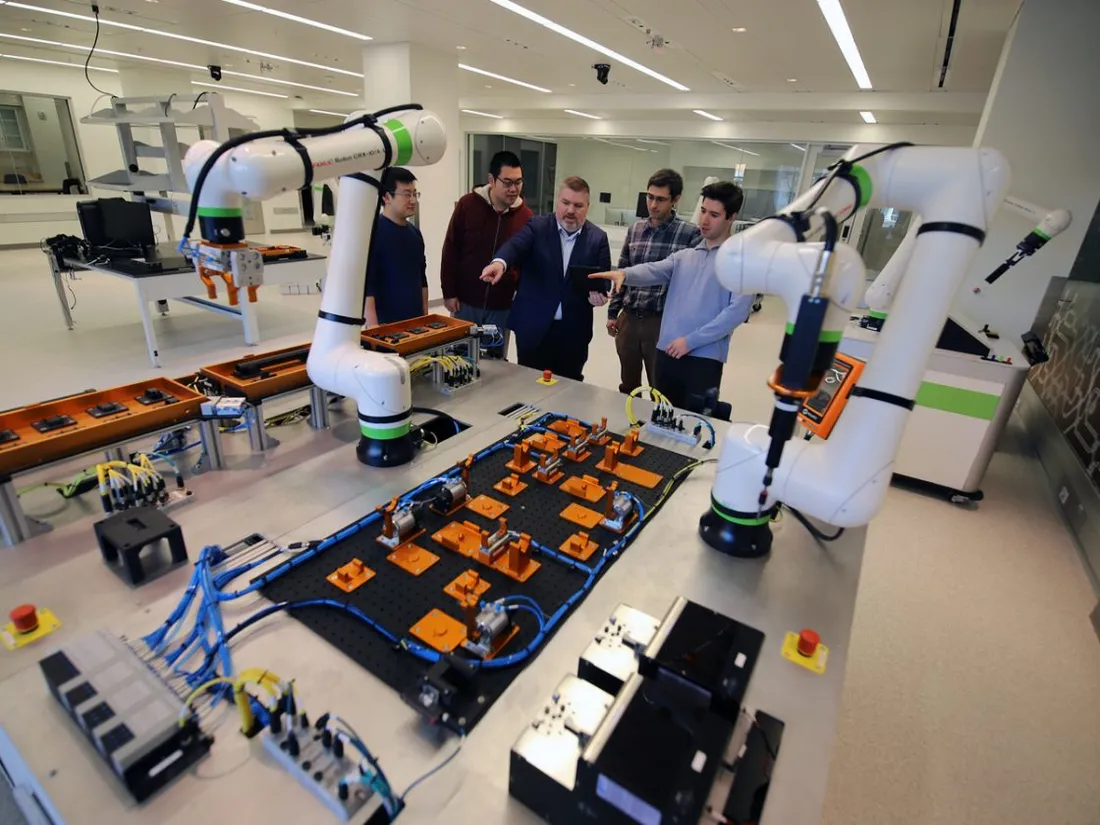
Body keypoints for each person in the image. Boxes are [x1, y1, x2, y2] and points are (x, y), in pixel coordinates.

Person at [592, 181, 753, 409]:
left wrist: (690, 341)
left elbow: (737, 312)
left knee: (693, 421)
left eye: (714, 215)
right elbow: (654, 270)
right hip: (667, 353)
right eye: (703, 211)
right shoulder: (685, 257)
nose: (704, 220)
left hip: (703, 359)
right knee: (662, 415)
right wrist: (624, 274)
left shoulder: (741, 263)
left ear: (731, 217)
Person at [480, 176, 611, 381]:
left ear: (588, 207)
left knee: (569, 388)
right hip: (533, 328)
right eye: (565, 202)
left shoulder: (598, 238)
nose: (570, 210)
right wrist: (500, 263)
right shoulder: (537, 226)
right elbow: (515, 245)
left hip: (573, 334)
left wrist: (598, 296)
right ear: (557, 201)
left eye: (578, 205)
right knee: (528, 385)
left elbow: (604, 280)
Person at [608, 168, 701, 394]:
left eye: (660, 199)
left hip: (661, 323)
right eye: (649, 197)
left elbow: (693, 287)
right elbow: (623, 272)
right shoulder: (635, 230)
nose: (652, 205)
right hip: (629, 319)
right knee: (628, 386)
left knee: (661, 388)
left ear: (675, 199)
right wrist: (613, 313)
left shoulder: (689, 234)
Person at [441, 150, 533, 358]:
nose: (513, 189)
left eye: (518, 182)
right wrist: (449, 291)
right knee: (459, 358)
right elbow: (451, 249)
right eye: (507, 182)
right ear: (492, 180)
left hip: (501, 306)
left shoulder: (526, 217)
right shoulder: (468, 205)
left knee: (495, 361)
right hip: (465, 302)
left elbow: (526, 263)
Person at [364, 167, 428, 327]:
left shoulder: (415, 234)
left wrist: (425, 319)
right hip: (386, 326)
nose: (413, 200)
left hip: (415, 324)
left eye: (415, 194)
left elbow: (422, 279)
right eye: (406, 194)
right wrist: (374, 329)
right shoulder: (373, 234)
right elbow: (368, 288)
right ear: (387, 197)